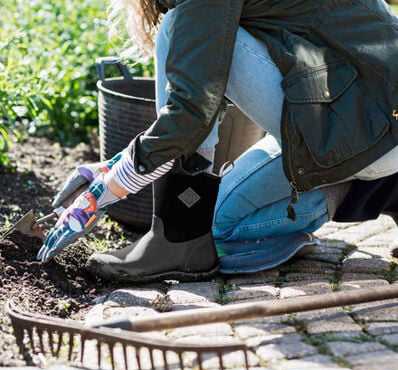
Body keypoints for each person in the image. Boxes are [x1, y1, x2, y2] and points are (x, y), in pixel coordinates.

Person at [38, 0, 398, 282]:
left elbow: (191, 116)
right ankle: (383, 186)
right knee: (222, 220)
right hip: (365, 107)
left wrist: (99, 194)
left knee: (174, 29)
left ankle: (177, 237)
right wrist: (109, 168)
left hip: (370, 117)